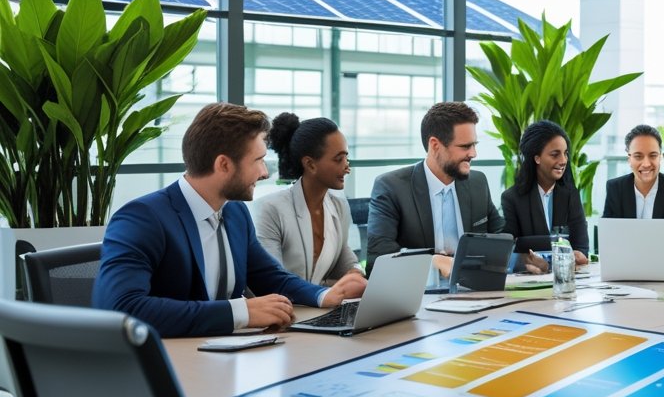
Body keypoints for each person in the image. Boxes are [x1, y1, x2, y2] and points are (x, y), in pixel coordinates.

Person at [93, 103, 366, 338]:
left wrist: (323, 297)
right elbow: (122, 308)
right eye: (258, 160)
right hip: (169, 367)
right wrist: (240, 311)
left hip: (225, 358)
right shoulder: (143, 219)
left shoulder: (235, 213)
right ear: (223, 164)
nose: (264, 173)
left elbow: (270, 277)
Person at [366, 102, 504, 274]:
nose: (473, 154)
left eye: (474, 145)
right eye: (465, 146)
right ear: (435, 145)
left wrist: (522, 257)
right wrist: (433, 261)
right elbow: (377, 259)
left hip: (474, 289)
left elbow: (502, 237)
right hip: (419, 293)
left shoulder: (478, 182)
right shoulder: (391, 187)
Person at [251, 113, 366, 286]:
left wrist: (355, 271)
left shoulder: (339, 205)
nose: (347, 167)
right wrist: (333, 287)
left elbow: (343, 253)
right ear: (310, 164)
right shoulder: (271, 209)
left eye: (346, 158)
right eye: (338, 159)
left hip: (322, 307)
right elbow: (273, 282)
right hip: (286, 309)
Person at [502, 120, 590, 272]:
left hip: (567, 279)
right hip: (529, 282)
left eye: (565, 153)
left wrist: (578, 255)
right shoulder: (512, 198)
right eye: (555, 154)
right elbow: (507, 252)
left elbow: (581, 247)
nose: (563, 161)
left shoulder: (570, 194)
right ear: (537, 158)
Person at [601, 124, 664, 231]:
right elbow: (609, 234)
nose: (646, 164)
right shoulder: (615, 188)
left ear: (660, 157)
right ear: (629, 159)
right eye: (638, 156)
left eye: (653, 155)